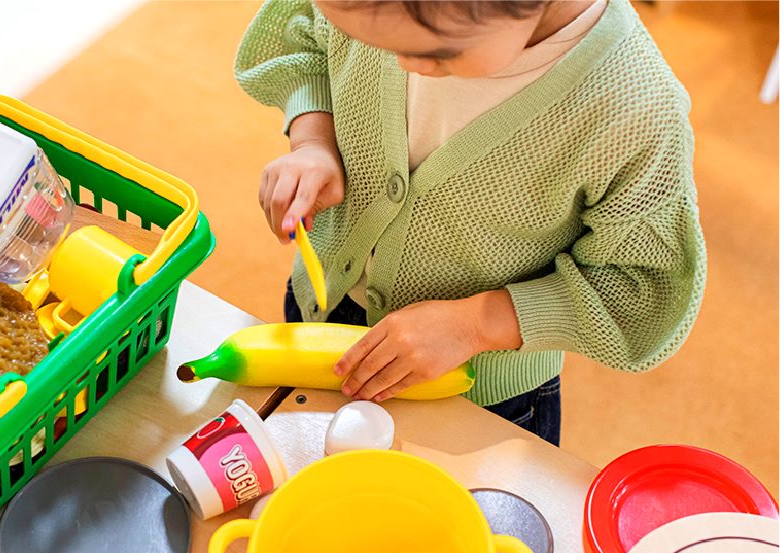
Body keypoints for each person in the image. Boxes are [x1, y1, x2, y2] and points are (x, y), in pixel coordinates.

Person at [234, 0, 705, 446]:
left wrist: (477, 325)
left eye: (431, 53)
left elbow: (642, 292)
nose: (398, 64)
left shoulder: (635, 111)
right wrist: (313, 139)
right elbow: (302, 32)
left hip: (481, 391)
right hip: (320, 315)